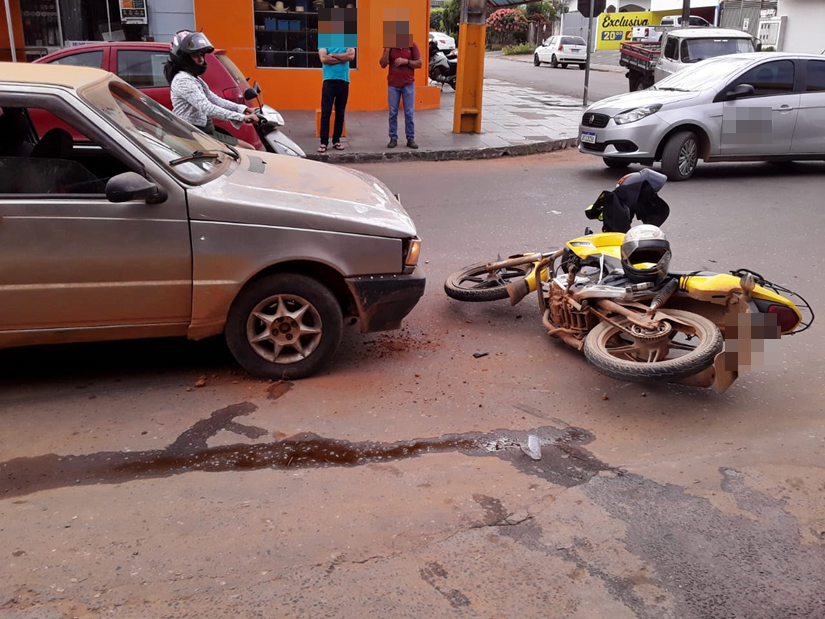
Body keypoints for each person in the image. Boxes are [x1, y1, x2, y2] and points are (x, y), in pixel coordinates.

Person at [164, 30, 259, 148]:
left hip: (205, 132)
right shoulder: (183, 80)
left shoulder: (193, 78)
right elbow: (206, 107)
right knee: (248, 149)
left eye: (201, 55)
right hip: (193, 133)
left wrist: (243, 109)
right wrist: (241, 117)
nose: (201, 60)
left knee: (249, 148)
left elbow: (214, 99)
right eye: (195, 56)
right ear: (183, 57)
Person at [379, 22, 422, 150]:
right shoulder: (390, 47)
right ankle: (393, 138)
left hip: (408, 83)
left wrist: (406, 61)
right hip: (393, 84)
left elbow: (419, 63)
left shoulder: (412, 45)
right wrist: (387, 49)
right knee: (393, 112)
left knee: (409, 112)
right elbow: (382, 64)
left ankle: (410, 138)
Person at [318, 46, 355, 153]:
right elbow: (324, 59)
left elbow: (351, 56)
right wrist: (343, 57)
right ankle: (323, 142)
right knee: (326, 113)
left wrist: (333, 55)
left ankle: (336, 141)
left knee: (340, 112)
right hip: (329, 81)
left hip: (343, 81)